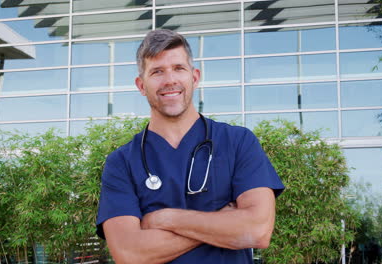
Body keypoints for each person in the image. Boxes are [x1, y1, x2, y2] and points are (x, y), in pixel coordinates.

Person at [96, 29, 284, 264]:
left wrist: (167, 219)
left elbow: (257, 230)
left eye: (178, 68)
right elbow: (130, 254)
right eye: (157, 72)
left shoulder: (238, 142)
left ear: (194, 77)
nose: (170, 80)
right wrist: (223, 222)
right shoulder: (121, 162)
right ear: (141, 85)